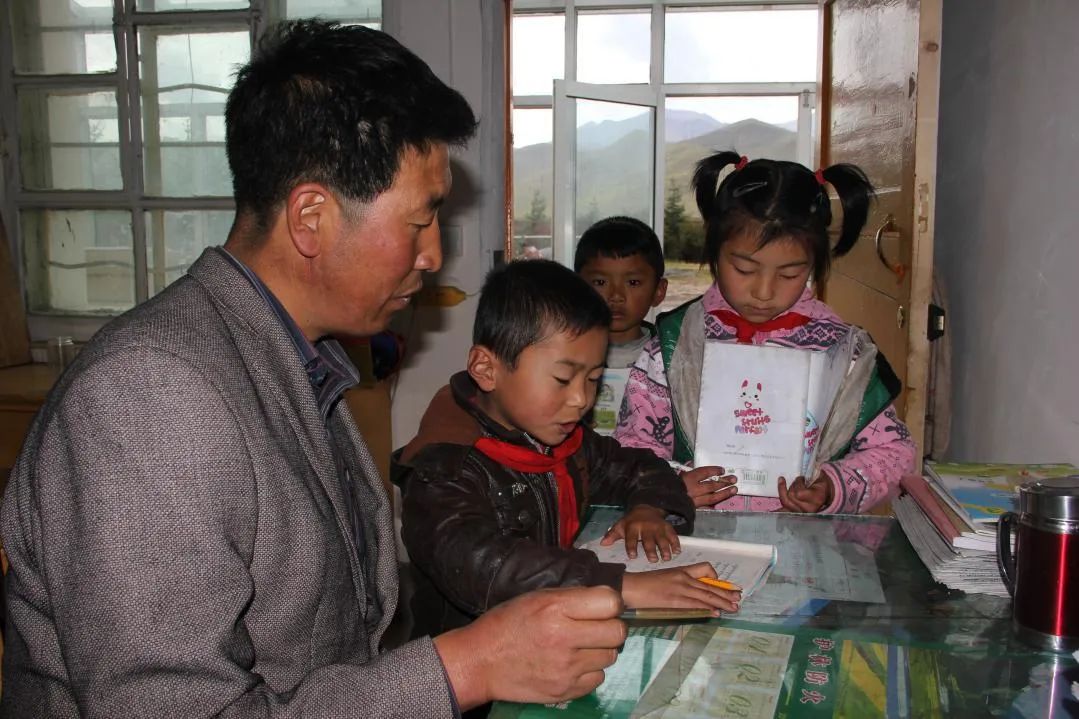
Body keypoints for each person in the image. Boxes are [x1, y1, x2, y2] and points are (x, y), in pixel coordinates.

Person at [1, 21, 627, 717]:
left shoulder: (300, 359)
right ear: (311, 217)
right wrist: (468, 665)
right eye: (420, 221)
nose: (432, 256)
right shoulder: (149, 396)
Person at [396, 259, 740, 643]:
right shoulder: (443, 470)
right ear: (487, 369)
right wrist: (620, 585)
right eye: (563, 379)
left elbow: (636, 466)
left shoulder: (563, 439)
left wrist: (648, 507)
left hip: (550, 634)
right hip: (467, 664)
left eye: (593, 379)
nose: (581, 399)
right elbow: (484, 567)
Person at [613, 151, 918, 514]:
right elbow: (632, 444)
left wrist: (832, 488)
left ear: (814, 264)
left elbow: (894, 453)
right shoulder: (675, 344)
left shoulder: (842, 352)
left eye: (790, 274)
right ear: (715, 250)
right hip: (693, 532)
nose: (763, 292)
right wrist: (670, 486)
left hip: (801, 540)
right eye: (744, 270)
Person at [574, 216, 668, 371]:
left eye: (633, 282)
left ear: (658, 291)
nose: (616, 296)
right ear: (577, 289)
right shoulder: (562, 353)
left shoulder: (672, 357)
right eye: (600, 282)